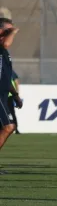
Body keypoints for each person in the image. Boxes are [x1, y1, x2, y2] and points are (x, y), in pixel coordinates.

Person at [0, 18, 23, 167]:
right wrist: (13, 32)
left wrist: (15, 95)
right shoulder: (2, 46)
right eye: (7, 31)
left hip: (3, 94)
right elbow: (6, 42)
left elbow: (6, 78)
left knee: (8, 127)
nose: (10, 34)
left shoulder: (4, 52)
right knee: (8, 127)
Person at [7, 70, 20, 134]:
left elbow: (16, 82)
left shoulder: (11, 71)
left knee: (12, 112)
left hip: (10, 95)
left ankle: (15, 128)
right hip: (3, 95)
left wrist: (16, 94)